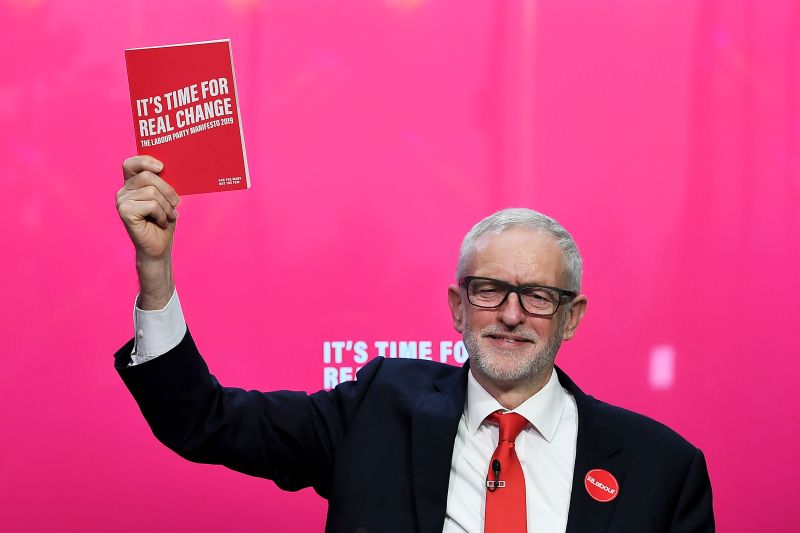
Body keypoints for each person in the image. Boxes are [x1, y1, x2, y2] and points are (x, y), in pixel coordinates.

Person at [115, 155, 715, 533]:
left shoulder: (663, 468)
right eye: (487, 291)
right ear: (457, 307)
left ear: (571, 317)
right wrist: (156, 271)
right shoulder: (374, 410)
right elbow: (204, 420)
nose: (510, 315)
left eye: (537, 296)